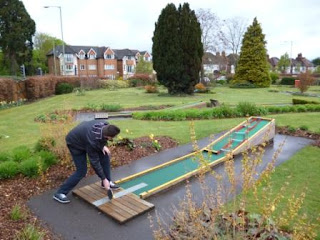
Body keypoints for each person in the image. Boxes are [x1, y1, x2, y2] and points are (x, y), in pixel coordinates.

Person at [53, 120, 120, 204]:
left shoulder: (105, 124)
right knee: (81, 171)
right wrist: (103, 177)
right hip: (75, 144)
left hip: (85, 138)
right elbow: (95, 162)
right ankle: (60, 193)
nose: (113, 139)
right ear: (107, 136)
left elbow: (100, 140)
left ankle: (106, 183)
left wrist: (102, 146)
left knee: (105, 155)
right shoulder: (93, 141)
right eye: (112, 138)